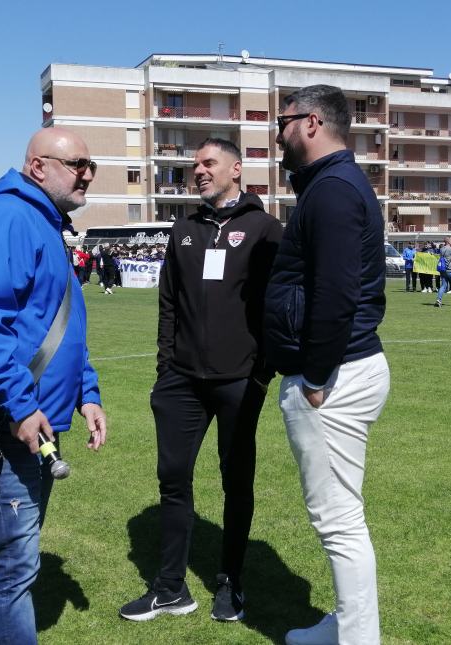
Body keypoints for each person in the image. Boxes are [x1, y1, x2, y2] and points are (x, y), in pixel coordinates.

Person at [0, 127, 107, 645]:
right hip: (12, 421)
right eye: (77, 164)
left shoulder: (42, 220)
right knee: (15, 569)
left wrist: (87, 391)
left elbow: (61, 321)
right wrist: (19, 406)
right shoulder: (9, 218)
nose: (87, 174)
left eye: (90, 166)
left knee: (13, 559)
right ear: (38, 167)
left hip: (38, 418)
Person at [119, 138, 282, 623]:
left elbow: (276, 306)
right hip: (181, 381)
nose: (199, 171)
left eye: (209, 163)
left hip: (240, 380)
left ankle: (230, 581)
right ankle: (170, 587)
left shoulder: (265, 229)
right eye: (195, 165)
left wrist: (262, 371)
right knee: (173, 480)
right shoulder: (184, 229)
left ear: (236, 168)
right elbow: (168, 302)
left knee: (236, 483)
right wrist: (165, 368)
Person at [263, 85, 390, 645]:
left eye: (283, 122)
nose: (278, 133)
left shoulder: (333, 190)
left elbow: (337, 293)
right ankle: (344, 625)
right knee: (341, 515)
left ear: (312, 122)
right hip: (342, 371)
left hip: (334, 378)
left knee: (339, 521)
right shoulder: (330, 185)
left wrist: (314, 378)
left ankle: (358, 638)